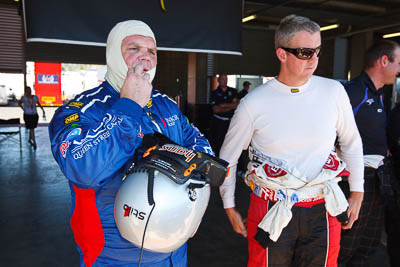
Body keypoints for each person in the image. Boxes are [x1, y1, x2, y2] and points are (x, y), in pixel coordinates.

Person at [48, 20, 213, 267]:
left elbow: (200, 143)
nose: (144, 59)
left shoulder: (165, 104)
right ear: (114, 54)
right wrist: (129, 107)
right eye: (133, 49)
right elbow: (81, 168)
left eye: (151, 52)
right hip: (111, 257)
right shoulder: (81, 109)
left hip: (173, 253)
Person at [219, 14, 364, 267]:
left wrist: (358, 191)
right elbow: (228, 157)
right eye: (305, 52)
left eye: (317, 51)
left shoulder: (333, 92)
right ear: (282, 54)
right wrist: (228, 205)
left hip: (324, 205)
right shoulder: (254, 103)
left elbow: (351, 140)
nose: (315, 60)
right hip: (271, 206)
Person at [338, 40, 400, 267]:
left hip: (377, 182)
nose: (399, 70)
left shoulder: (380, 94)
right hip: (354, 181)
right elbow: (327, 133)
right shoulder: (354, 92)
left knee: (369, 244)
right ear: (384, 61)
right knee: (346, 244)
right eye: (398, 63)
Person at [210, 74, 238, 156]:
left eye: (226, 79)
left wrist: (223, 105)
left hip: (231, 122)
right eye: (223, 79)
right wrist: (231, 106)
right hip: (219, 123)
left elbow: (237, 105)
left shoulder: (233, 91)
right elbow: (216, 109)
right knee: (219, 144)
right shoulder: (215, 93)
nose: (225, 81)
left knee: (232, 143)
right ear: (218, 80)